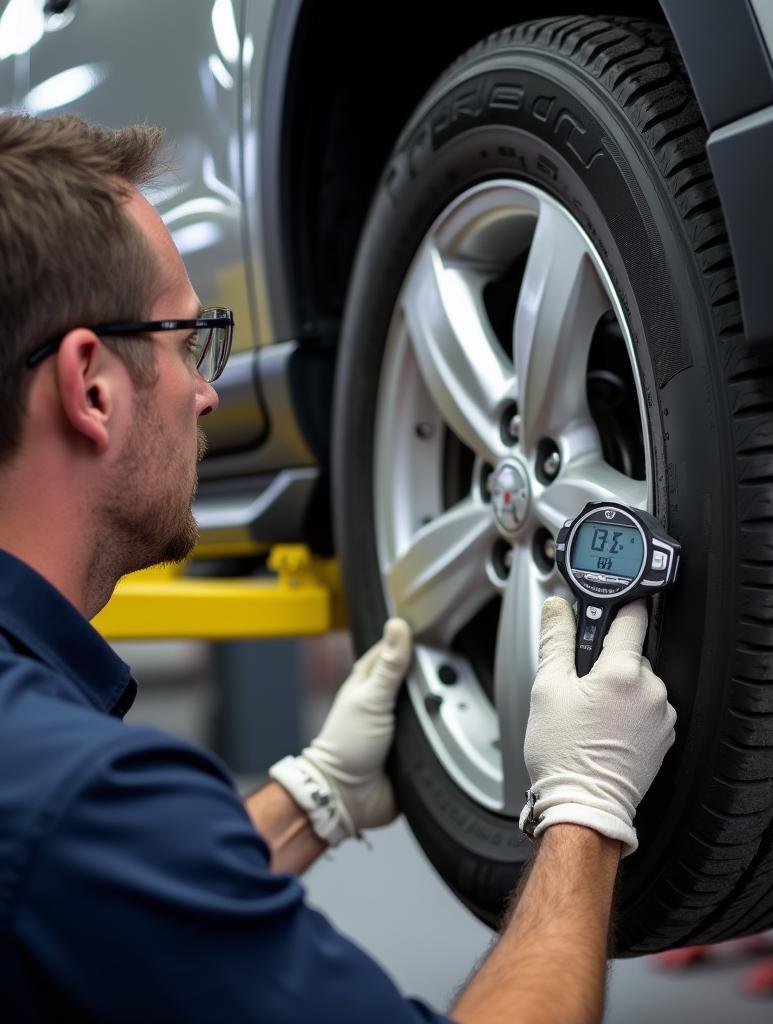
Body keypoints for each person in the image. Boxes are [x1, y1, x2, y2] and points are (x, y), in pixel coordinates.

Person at [0, 112, 677, 1023]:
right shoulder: (82, 797)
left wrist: (309, 799)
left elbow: (100, 918)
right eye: (184, 342)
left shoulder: (51, 796)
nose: (206, 391)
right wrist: (587, 810)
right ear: (91, 388)